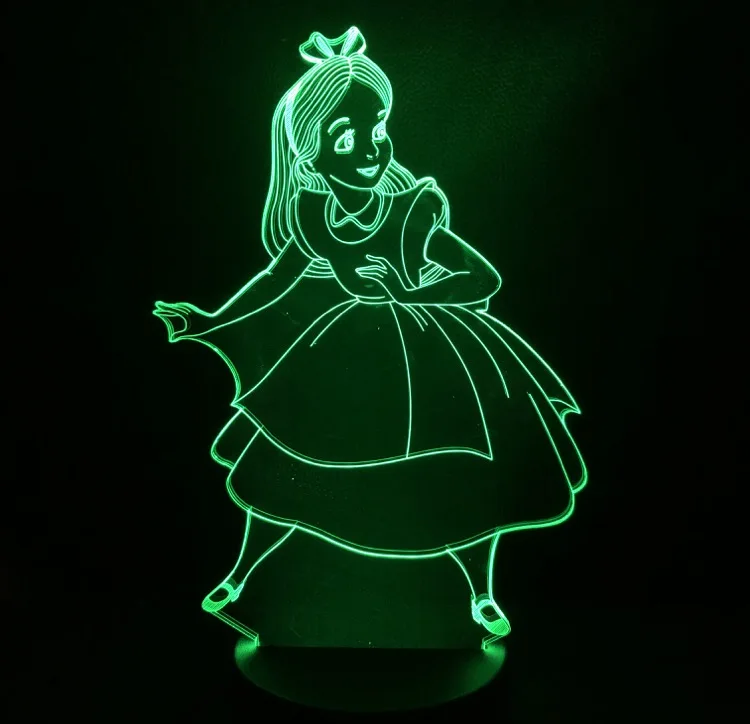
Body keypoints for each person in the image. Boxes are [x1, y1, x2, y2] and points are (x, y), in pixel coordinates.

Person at [154, 27, 587, 641]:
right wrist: (210, 321)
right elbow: (274, 279)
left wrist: (408, 294)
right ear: (309, 155)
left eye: (377, 129)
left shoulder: (411, 211)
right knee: (294, 458)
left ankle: (482, 592)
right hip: (346, 352)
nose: (369, 149)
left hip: (432, 351)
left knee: (462, 467)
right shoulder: (312, 214)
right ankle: (242, 577)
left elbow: (481, 277)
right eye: (345, 137)